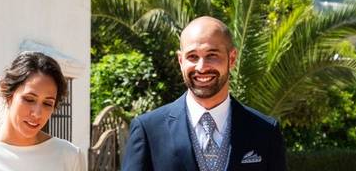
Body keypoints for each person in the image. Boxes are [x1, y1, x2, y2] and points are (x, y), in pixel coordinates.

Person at [121, 16, 287, 171]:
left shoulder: (265, 131)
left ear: (232, 58)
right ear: (181, 61)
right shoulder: (149, 130)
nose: (201, 67)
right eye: (192, 56)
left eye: (212, 55)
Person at [0, 51, 86, 171]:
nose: (37, 113)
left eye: (47, 103)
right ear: (8, 95)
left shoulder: (69, 156)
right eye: (29, 99)